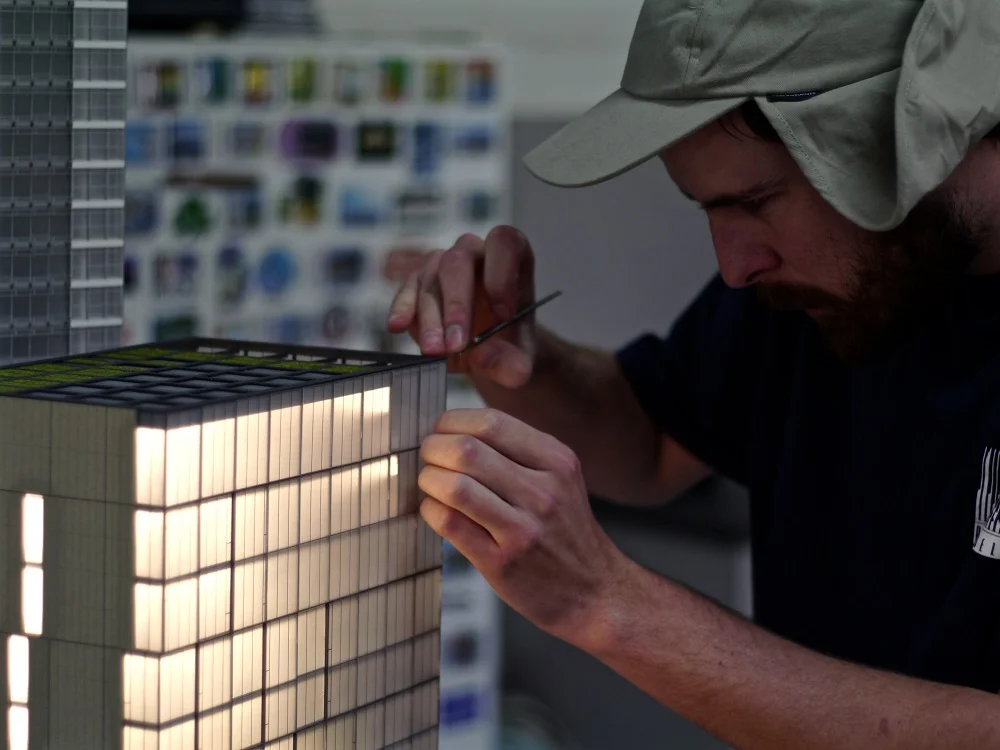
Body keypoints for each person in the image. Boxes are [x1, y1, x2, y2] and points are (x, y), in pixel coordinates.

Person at [387, 0, 1000, 746]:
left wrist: (605, 602)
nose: (734, 267)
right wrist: (519, 359)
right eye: (706, 209)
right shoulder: (821, 287)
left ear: (918, 132)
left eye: (756, 202)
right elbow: (650, 443)